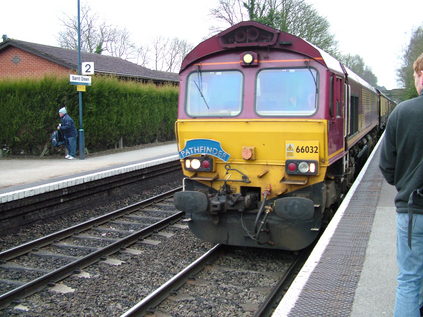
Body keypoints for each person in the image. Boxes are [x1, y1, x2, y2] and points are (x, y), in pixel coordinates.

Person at [379, 52, 423, 317]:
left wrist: (405, 182)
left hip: (412, 210)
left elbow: (386, 166)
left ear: (420, 76)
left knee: (409, 279)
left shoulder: (403, 112)